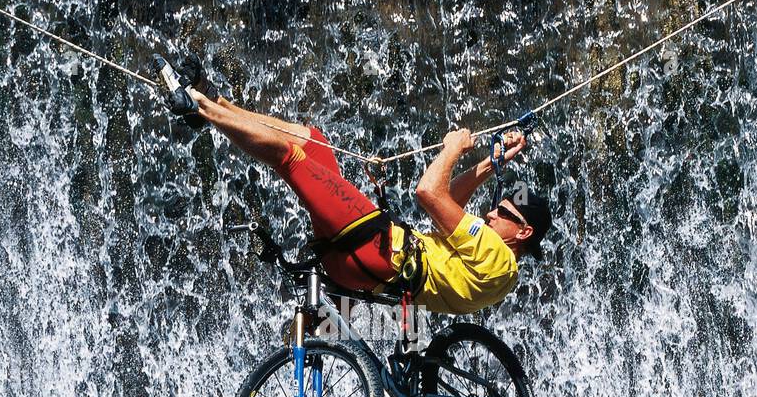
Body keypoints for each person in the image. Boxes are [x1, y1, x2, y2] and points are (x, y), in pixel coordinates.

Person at [157, 56, 550, 314]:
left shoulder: (497, 255)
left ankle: (197, 105)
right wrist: (488, 164)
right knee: (313, 140)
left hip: (377, 252)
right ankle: (217, 104)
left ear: (523, 231)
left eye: (503, 212)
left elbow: (430, 193)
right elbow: (453, 209)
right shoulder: (491, 263)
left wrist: (451, 150)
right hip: (369, 260)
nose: (491, 212)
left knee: (289, 157)